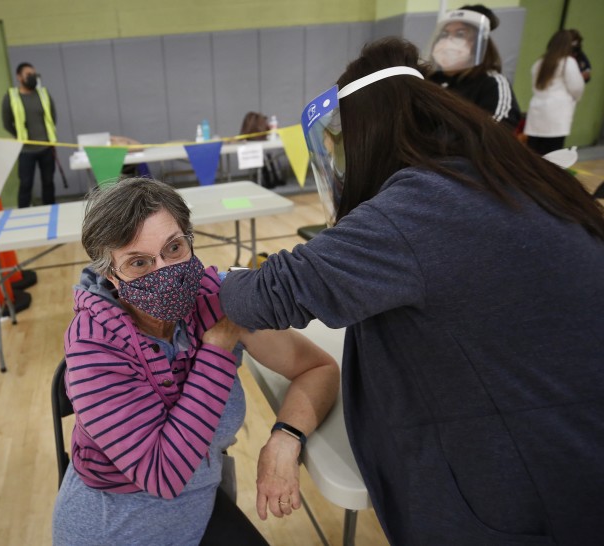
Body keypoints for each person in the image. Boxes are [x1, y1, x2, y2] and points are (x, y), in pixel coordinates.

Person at [219, 37, 604, 545]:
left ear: (369, 133)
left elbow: (272, 292)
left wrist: (213, 282)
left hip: (520, 487)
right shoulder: (503, 175)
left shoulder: (425, 204)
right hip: (569, 449)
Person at [52, 177, 340, 545]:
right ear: (111, 275)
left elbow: (318, 369)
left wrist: (286, 437)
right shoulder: (93, 345)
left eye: (174, 248)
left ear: (190, 239)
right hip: (115, 527)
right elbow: (163, 475)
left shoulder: (216, 299)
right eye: (139, 262)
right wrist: (218, 349)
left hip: (201, 505)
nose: (164, 271)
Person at [428, 5, 521, 130]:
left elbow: (497, 129)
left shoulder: (492, 84)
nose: (448, 41)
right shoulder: (429, 80)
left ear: (479, 44)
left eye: (460, 34)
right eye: (444, 34)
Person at [1, 62, 58, 208]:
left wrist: (50, 138)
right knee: (26, 183)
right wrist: (20, 136)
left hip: (46, 147)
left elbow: (52, 117)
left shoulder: (43, 94)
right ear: (19, 77)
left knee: (48, 182)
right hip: (26, 150)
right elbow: (7, 123)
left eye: (34, 74)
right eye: (28, 75)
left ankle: (50, 210)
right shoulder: (11, 97)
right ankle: (22, 213)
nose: (32, 77)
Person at [524, 30, 586, 156]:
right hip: (556, 116)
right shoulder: (568, 62)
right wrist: (575, 99)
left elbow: (535, 87)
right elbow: (577, 87)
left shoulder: (539, 62)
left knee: (534, 153)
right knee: (553, 156)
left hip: (537, 113)